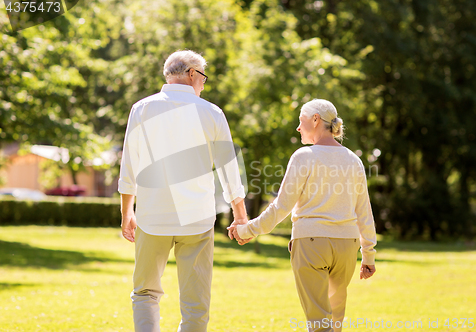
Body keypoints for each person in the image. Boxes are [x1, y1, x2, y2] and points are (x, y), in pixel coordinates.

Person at [119, 49, 248, 332]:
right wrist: (240, 216)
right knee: (196, 302)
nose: (204, 83)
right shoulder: (212, 112)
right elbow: (229, 170)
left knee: (144, 293)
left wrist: (127, 211)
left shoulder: (142, 108)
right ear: (191, 74)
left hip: (152, 218)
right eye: (203, 77)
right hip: (197, 219)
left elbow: (129, 164)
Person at [228, 99, 377, 332]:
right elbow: (364, 212)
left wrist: (247, 230)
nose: (298, 128)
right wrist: (368, 255)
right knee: (335, 323)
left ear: (315, 120)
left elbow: (281, 207)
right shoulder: (354, 160)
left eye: (301, 121)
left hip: (311, 244)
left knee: (318, 323)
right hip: (347, 246)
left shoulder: (303, 156)